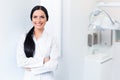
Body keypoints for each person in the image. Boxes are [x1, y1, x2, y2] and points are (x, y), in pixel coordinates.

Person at [16, 5, 61, 80]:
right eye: (35, 17)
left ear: (47, 19)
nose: (38, 20)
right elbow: (20, 62)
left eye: (42, 17)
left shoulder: (52, 39)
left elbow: (54, 65)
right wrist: (43, 60)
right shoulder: (23, 38)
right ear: (31, 19)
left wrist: (33, 69)